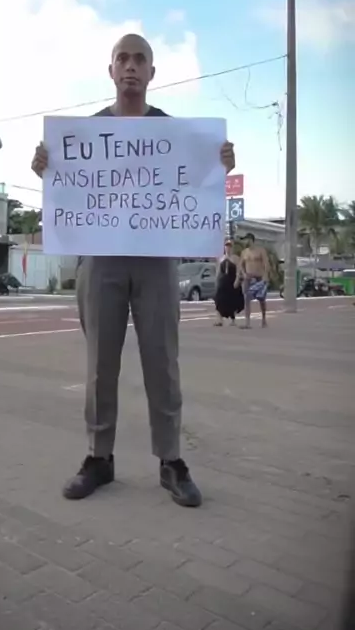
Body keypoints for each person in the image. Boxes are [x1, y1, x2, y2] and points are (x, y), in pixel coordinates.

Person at [32, 33, 235, 507]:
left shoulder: (173, 133)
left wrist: (220, 164)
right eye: (122, 58)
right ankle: (98, 457)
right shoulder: (84, 136)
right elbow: (67, 191)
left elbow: (197, 183)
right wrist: (46, 167)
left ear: (151, 73)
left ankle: (171, 461)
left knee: (162, 361)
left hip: (157, 259)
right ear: (110, 71)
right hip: (100, 260)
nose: (130, 66)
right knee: (99, 364)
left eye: (139, 59)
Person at [239, 233, 270, 328]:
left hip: (259, 277)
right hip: (248, 277)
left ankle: (264, 319)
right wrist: (244, 273)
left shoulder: (260, 251)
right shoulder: (244, 252)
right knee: (246, 299)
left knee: (261, 299)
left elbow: (266, 263)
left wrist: (265, 275)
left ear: (251, 240)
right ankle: (247, 322)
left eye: (246, 240)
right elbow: (240, 265)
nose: (245, 242)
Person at [214, 239, 244, 326]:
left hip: (232, 281)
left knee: (232, 300)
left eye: (230, 246)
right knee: (219, 299)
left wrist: (237, 280)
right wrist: (216, 281)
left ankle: (232, 319)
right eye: (226, 246)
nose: (228, 248)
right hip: (223, 281)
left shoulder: (236, 258)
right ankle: (219, 319)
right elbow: (218, 271)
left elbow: (239, 270)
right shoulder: (221, 258)